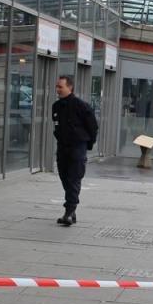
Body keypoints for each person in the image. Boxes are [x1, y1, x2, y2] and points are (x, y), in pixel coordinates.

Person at [52, 76, 98, 227]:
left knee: (74, 178)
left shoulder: (81, 106)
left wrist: (88, 144)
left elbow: (93, 126)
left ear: (70, 88)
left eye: (61, 87)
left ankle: (69, 211)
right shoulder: (56, 106)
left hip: (77, 146)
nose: (58, 89)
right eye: (57, 87)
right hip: (62, 147)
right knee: (65, 178)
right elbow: (57, 125)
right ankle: (72, 210)